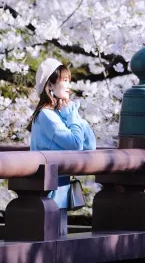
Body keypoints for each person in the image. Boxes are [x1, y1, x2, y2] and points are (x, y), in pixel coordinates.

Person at [28, 58, 96, 235]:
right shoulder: (46, 116)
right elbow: (76, 145)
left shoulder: (59, 115)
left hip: (59, 188)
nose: (69, 86)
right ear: (49, 85)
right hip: (49, 190)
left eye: (69, 80)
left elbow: (90, 145)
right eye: (64, 80)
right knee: (52, 240)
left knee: (60, 239)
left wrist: (73, 115)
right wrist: (72, 117)